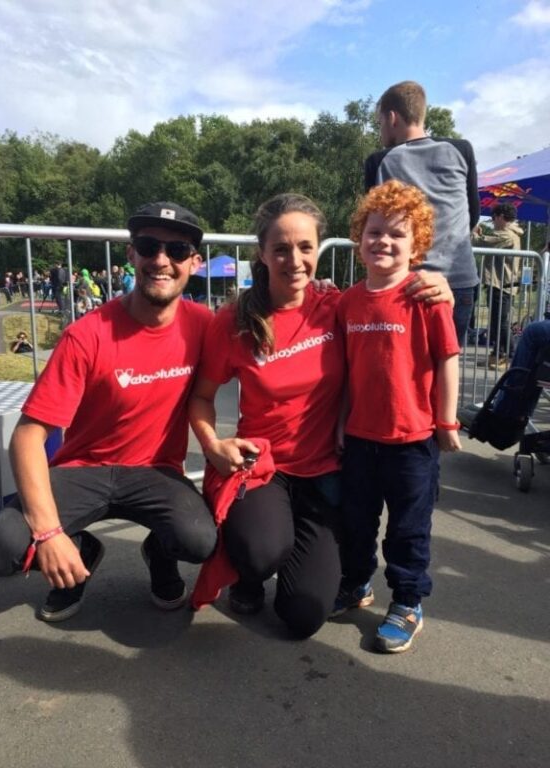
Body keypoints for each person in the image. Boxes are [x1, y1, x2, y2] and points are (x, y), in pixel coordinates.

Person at [188, 192, 453, 639]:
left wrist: (437, 283)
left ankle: (297, 554)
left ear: (319, 248)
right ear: (263, 253)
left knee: (304, 616)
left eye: (306, 247)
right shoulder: (236, 319)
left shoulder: (337, 305)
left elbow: (392, 301)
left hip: (325, 469)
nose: (295, 260)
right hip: (263, 467)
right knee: (260, 551)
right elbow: (201, 398)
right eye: (281, 249)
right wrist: (213, 446)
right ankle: (250, 571)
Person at [0, 201, 217, 623]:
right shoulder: (87, 334)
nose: (161, 260)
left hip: (155, 470)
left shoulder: (205, 325)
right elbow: (28, 436)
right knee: (3, 547)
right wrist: (50, 534)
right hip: (83, 469)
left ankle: (160, 556)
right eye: (148, 246)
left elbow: (265, 336)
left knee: (198, 539)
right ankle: (80, 555)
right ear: (132, 255)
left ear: (195, 263)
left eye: (177, 251)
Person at [332, 180, 461, 654]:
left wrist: (446, 421)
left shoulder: (426, 295)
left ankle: (407, 601)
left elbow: (448, 358)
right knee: (357, 522)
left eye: (397, 234)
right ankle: (356, 585)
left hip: (413, 440)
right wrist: (340, 424)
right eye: (374, 231)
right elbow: (345, 372)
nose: (383, 241)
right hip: (361, 439)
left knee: (408, 529)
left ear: (417, 244)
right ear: (359, 238)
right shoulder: (347, 301)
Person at [365, 80, 480, 346]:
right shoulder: (461, 150)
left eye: (380, 122)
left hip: (406, 282)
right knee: (446, 369)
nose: (381, 130)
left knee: (405, 371)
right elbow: (472, 215)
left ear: (392, 117)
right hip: (458, 280)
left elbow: (372, 221)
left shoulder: (379, 161)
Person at [473, 204, 523, 369]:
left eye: (493, 217)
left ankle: (510, 356)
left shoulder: (507, 235)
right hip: (499, 283)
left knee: (501, 322)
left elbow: (482, 243)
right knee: (495, 321)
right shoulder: (508, 234)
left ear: (501, 217)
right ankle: (497, 355)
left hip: (502, 284)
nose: (493, 221)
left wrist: (474, 232)